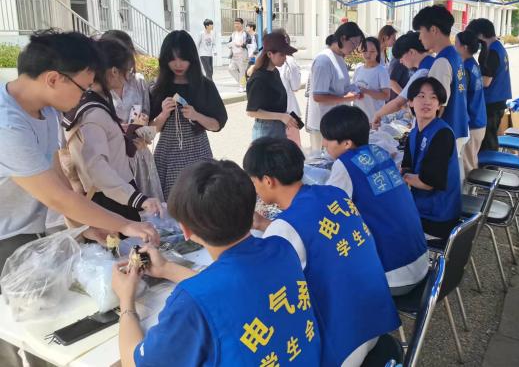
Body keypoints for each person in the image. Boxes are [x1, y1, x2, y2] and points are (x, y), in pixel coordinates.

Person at [0, 30, 158, 367]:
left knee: (46, 329)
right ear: (53, 79)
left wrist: (82, 226)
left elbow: (56, 173)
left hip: (29, 233)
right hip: (5, 237)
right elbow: (58, 197)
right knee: (13, 334)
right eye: (83, 87)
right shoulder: (6, 124)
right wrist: (126, 224)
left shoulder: (46, 111)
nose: (86, 95)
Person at [112, 159, 321, 367]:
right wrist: (166, 268)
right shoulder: (282, 248)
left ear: (186, 231)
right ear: (253, 211)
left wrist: (126, 300)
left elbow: (135, 363)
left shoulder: (191, 304)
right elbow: (227, 292)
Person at [243, 138, 401, 367]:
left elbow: (259, 287)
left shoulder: (284, 228)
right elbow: (313, 235)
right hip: (374, 325)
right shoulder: (334, 194)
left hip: (343, 347)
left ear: (268, 180)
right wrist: (263, 224)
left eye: (253, 181)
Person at [320, 105, 428, 295]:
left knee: (321, 268)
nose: (323, 143)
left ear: (347, 143)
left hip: (394, 275)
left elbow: (325, 212)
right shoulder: (379, 152)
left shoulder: (344, 164)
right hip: (420, 261)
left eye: (328, 138)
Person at [62, 37, 162, 221]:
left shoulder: (92, 102)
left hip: (112, 193)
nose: (129, 78)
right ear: (114, 72)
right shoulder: (93, 112)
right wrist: (137, 199)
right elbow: (97, 166)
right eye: (129, 72)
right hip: (110, 198)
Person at [150, 30, 228, 199]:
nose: (178, 64)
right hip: (167, 155)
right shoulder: (159, 88)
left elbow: (217, 124)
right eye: (172, 59)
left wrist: (196, 115)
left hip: (197, 152)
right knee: (170, 202)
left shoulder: (205, 86)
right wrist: (163, 114)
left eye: (183, 59)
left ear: (192, 58)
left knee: (200, 200)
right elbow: (150, 131)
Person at [104, 30, 164, 200]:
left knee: (149, 207)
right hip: (113, 159)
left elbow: (147, 121)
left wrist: (144, 133)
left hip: (140, 155)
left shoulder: (138, 81)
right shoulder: (96, 89)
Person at [401, 77, 462, 241]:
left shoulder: (443, 134)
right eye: (421, 96)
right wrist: (404, 174)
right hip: (421, 208)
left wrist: (403, 176)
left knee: (382, 227)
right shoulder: (413, 134)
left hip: (438, 217)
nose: (427, 102)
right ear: (410, 102)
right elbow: (406, 166)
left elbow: (427, 183)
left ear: (439, 105)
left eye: (433, 97)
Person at [411, 6, 469, 153]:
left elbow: (437, 106)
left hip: (444, 133)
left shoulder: (442, 61)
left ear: (433, 30)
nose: (419, 38)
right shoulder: (455, 55)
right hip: (458, 126)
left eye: (420, 32)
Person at [305, 23, 364, 152]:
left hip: (335, 122)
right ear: (343, 38)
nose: (354, 49)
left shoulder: (339, 58)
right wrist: (345, 98)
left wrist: (355, 89)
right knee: (323, 159)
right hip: (322, 124)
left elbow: (341, 86)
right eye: (354, 44)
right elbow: (318, 96)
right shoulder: (324, 61)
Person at [465, 18, 512, 152]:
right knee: (489, 139)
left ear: (480, 35)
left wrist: (468, 79)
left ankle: (489, 165)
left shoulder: (492, 52)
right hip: (497, 100)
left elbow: (486, 81)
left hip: (492, 103)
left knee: (488, 142)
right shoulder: (497, 47)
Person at [372, 31, 433, 126]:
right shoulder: (433, 62)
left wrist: (378, 114)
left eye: (401, 57)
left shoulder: (423, 72)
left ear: (411, 52)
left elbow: (398, 103)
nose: (400, 61)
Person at [246, 31, 299, 140]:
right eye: (282, 54)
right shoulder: (259, 78)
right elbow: (251, 111)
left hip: (278, 127)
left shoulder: (275, 72)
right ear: (270, 54)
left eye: (286, 55)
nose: (285, 58)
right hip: (265, 131)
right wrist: (281, 116)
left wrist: (287, 116)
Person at [455, 30, 487, 176]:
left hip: (473, 123)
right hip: (478, 120)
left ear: (464, 47)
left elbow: (460, 98)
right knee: (471, 162)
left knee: (468, 168)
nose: (454, 47)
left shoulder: (465, 69)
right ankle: (473, 189)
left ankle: (471, 191)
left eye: (456, 44)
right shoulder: (473, 64)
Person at [351, 37, 390, 123]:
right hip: (358, 119)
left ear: (377, 52)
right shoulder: (358, 69)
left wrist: (366, 91)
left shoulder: (382, 71)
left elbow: (386, 96)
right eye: (365, 51)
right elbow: (353, 89)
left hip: (375, 120)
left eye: (372, 51)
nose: (368, 55)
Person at [279, 50, 303, 146]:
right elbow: (295, 86)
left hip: (269, 116)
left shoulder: (262, 62)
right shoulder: (289, 61)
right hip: (289, 112)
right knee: (293, 148)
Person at [228, 17, 249, 93]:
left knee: (242, 71)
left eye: (238, 23)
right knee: (231, 69)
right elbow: (229, 42)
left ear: (242, 24)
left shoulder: (245, 33)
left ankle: (242, 86)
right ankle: (243, 84)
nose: (236, 25)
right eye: (235, 23)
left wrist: (241, 45)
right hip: (234, 55)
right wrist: (230, 45)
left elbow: (249, 43)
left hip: (243, 55)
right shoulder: (233, 34)